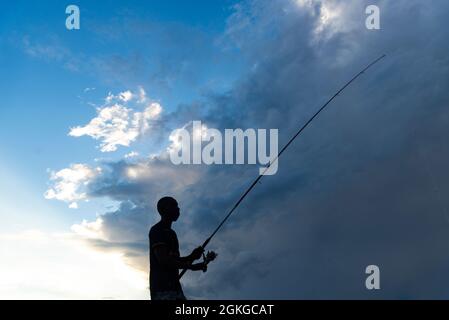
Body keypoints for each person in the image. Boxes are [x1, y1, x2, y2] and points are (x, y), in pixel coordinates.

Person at [149, 196, 209, 300]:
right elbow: (164, 261)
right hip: (162, 291)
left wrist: (192, 256)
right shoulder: (157, 231)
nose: (178, 209)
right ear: (163, 209)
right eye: (173, 206)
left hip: (175, 289)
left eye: (177, 206)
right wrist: (191, 267)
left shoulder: (172, 234)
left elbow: (174, 261)